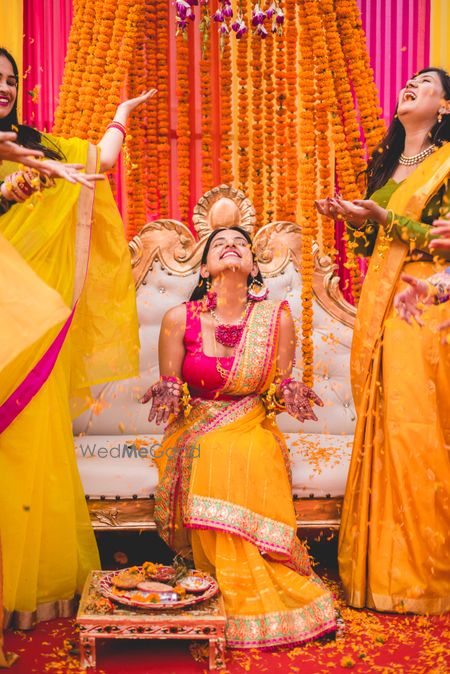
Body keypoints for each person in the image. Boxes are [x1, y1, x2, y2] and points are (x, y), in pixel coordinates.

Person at [0, 46, 155, 634]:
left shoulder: (40, 146)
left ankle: (24, 589)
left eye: (11, 80)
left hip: (33, 325)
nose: (4, 88)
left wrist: (120, 115)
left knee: (30, 443)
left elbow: (102, 162)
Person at [141, 226, 337, 648]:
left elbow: (276, 389)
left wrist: (288, 392)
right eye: (219, 243)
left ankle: (250, 579)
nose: (230, 246)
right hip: (197, 425)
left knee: (250, 447)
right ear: (204, 268)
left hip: (251, 421)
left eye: (240, 243)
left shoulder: (276, 317)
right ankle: (223, 581)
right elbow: (172, 384)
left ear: (252, 266)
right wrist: (168, 391)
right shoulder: (179, 318)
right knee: (212, 448)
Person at [316, 67, 450, 614]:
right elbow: (375, 241)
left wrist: (385, 217)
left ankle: (423, 576)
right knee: (385, 427)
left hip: (424, 301)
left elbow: (444, 242)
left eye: (426, 83)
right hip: (384, 300)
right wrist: (355, 218)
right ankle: (382, 573)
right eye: (409, 81)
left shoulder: (447, 164)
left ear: (445, 106)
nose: (410, 85)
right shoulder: (389, 163)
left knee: (416, 430)